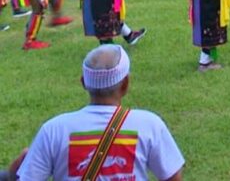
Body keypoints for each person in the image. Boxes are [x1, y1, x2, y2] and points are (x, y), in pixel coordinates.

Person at [11, 44, 185, 181]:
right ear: (125, 84)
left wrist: (13, 172)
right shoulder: (150, 125)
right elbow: (173, 177)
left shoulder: (53, 130)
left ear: (83, 83)